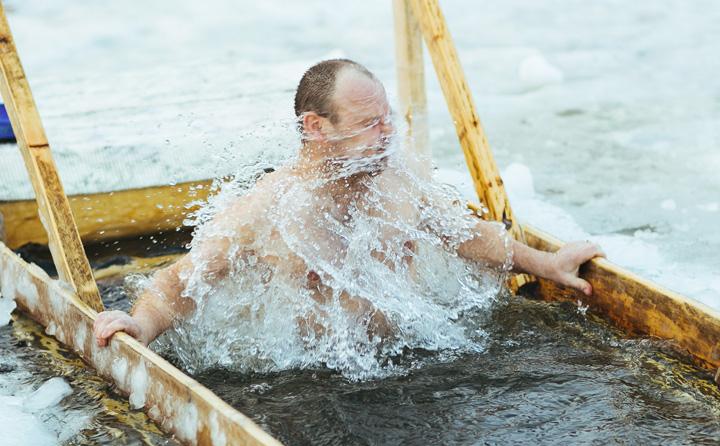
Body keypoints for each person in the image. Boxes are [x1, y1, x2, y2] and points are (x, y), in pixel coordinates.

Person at [94, 59, 604, 349]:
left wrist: (547, 265)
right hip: (310, 384)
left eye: (386, 120)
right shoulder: (270, 207)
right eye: (367, 125)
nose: (386, 136)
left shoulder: (396, 180)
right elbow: (180, 283)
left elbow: (464, 233)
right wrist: (139, 325)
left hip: (408, 361)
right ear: (317, 128)